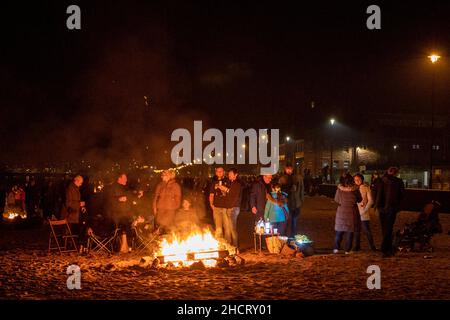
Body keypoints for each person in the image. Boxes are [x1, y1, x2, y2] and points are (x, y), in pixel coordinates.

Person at [374, 167, 405, 257]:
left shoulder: (380, 180)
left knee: (385, 228)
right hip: (389, 207)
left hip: (384, 207)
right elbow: (402, 195)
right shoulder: (397, 181)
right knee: (388, 227)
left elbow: (374, 192)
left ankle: (386, 247)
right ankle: (386, 248)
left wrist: (376, 204)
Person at [333, 174, 362, 254]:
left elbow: (336, 200)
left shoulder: (339, 189)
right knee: (350, 232)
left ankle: (336, 248)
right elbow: (360, 199)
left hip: (341, 211)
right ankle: (347, 250)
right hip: (352, 212)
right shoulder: (355, 189)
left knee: (339, 231)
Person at [60, 176, 89, 250]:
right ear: (76, 181)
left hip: (74, 214)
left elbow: (75, 201)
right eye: (81, 182)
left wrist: (81, 207)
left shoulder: (76, 189)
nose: (81, 184)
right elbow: (68, 203)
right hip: (68, 214)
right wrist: (79, 204)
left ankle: (70, 245)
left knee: (72, 231)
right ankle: (66, 246)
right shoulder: (69, 189)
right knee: (67, 231)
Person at [353, 173, 377, 251]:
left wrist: (365, 210)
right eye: (355, 180)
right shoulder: (352, 188)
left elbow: (371, 200)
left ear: (362, 179)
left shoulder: (366, 187)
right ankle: (357, 246)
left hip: (363, 212)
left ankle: (372, 246)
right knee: (356, 230)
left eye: (358, 179)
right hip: (355, 212)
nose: (357, 181)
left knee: (367, 230)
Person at [279, 164, 304, 237]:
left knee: (294, 222)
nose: (289, 170)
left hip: (296, 203)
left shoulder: (299, 178)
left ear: (292, 169)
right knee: (286, 221)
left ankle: (292, 237)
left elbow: (302, 190)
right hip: (286, 203)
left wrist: (301, 200)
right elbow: (279, 191)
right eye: (287, 169)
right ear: (285, 169)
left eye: (290, 169)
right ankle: (285, 237)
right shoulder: (282, 179)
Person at [221, 168, 242, 248]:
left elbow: (234, 195)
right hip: (231, 207)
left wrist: (225, 189)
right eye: (228, 174)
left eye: (230, 174)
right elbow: (230, 195)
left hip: (233, 208)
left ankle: (236, 247)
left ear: (235, 175)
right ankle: (232, 246)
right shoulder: (232, 183)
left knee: (233, 229)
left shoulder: (237, 184)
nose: (229, 175)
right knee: (230, 228)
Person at [209, 167, 230, 239]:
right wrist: (211, 204)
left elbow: (231, 193)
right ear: (216, 173)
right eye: (218, 171)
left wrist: (224, 189)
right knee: (218, 229)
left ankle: (228, 245)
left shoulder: (228, 181)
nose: (219, 173)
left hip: (225, 208)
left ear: (224, 172)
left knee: (227, 228)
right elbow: (211, 194)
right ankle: (220, 245)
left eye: (221, 171)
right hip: (216, 208)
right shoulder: (214, 183)